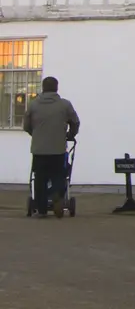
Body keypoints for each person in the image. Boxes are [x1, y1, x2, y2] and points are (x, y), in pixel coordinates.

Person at [23, 77, 80, 219]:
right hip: (58, 149)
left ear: (43, 87)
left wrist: (36, 134)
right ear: (56, 88)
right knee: (59, 176)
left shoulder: (33, 105)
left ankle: (41, 209)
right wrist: (70, 135)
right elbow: (75, 122)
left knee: (40, 178)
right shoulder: (65, 105)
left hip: (39, 149)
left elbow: (26, 126)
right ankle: (57, 196)